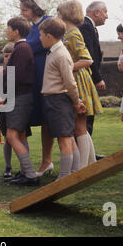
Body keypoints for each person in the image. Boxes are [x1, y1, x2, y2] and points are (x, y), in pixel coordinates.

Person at [57, 0, 103, 168]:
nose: (57, 16)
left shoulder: (73, 34)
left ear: (65, 15)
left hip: (79, 81)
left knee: (80, 127)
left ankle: (83, 168)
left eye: (59, 13)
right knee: (80, 127)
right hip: (76, 80)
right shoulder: (69, 33)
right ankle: (89, 164)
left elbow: (87, 59)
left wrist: (67, 67)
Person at [39, 17, 85, 179]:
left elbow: (70, 82)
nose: (40, 38)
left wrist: (76, 101)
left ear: (49, 36)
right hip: (54, 100)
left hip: (59, 100)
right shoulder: (54, 52)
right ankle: (74, 172)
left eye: (41, 35)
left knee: (64, 139)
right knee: (68, 137)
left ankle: (64, 177)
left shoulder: (61, 54)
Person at [0, 16, 38, 186]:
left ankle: (30, 174)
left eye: (8, 28)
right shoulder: (21, 47)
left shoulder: (21, 49)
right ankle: (24, 172)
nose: (6, 31)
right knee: (20, 136)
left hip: (19, 98)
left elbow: (18, 75)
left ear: (16, 31)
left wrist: (4, 95)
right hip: (20, 97)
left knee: (12, 135)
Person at [19, 0, 54, 176]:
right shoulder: (30, 27)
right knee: (35, 119)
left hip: (46, 76)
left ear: (35, 7)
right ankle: (28, 165)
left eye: (25, 9)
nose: (22, 12)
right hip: (32, 77)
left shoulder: (48, 22)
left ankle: (47, 161)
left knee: (47, 120)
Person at [78, 1, 108, 155]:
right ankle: (85, 154)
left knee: (89, 117)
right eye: (105, 12)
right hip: (85, 79)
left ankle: (88, 152)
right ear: (96, 12)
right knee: (86, 116)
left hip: (88, 78)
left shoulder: (90, 28)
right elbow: (89, 55)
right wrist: (97, 78)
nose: (107, 16)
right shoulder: (85, 27)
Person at [0, 42, 14, 178]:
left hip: (16, 107)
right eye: (5, 56)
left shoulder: (18, 72)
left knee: (19, 137)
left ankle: (25, 167)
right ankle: (8, 166)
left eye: (10, 56)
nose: (7, 59)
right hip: (4, 109)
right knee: (7, 138)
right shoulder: (1, 73)